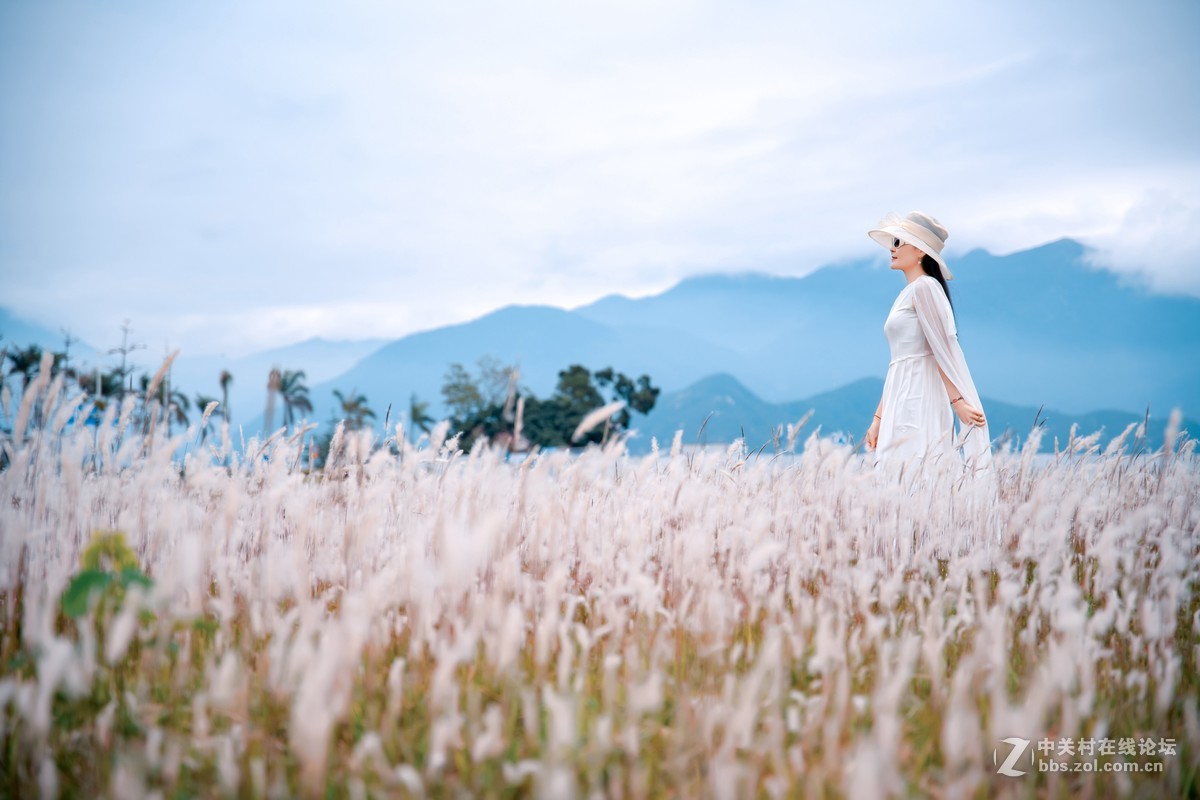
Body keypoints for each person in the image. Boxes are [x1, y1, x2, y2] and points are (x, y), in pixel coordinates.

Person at [863, 212, 992, 472]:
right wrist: (878, 418)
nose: (892, 248)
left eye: (899, 242)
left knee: (916, 470)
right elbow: (898, 362)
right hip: (899, 393)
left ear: (920, 251)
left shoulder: (925, 288)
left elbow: (940, 350)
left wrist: (958, 403)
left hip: (919, 395)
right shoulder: (906, 294)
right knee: (894, 474)